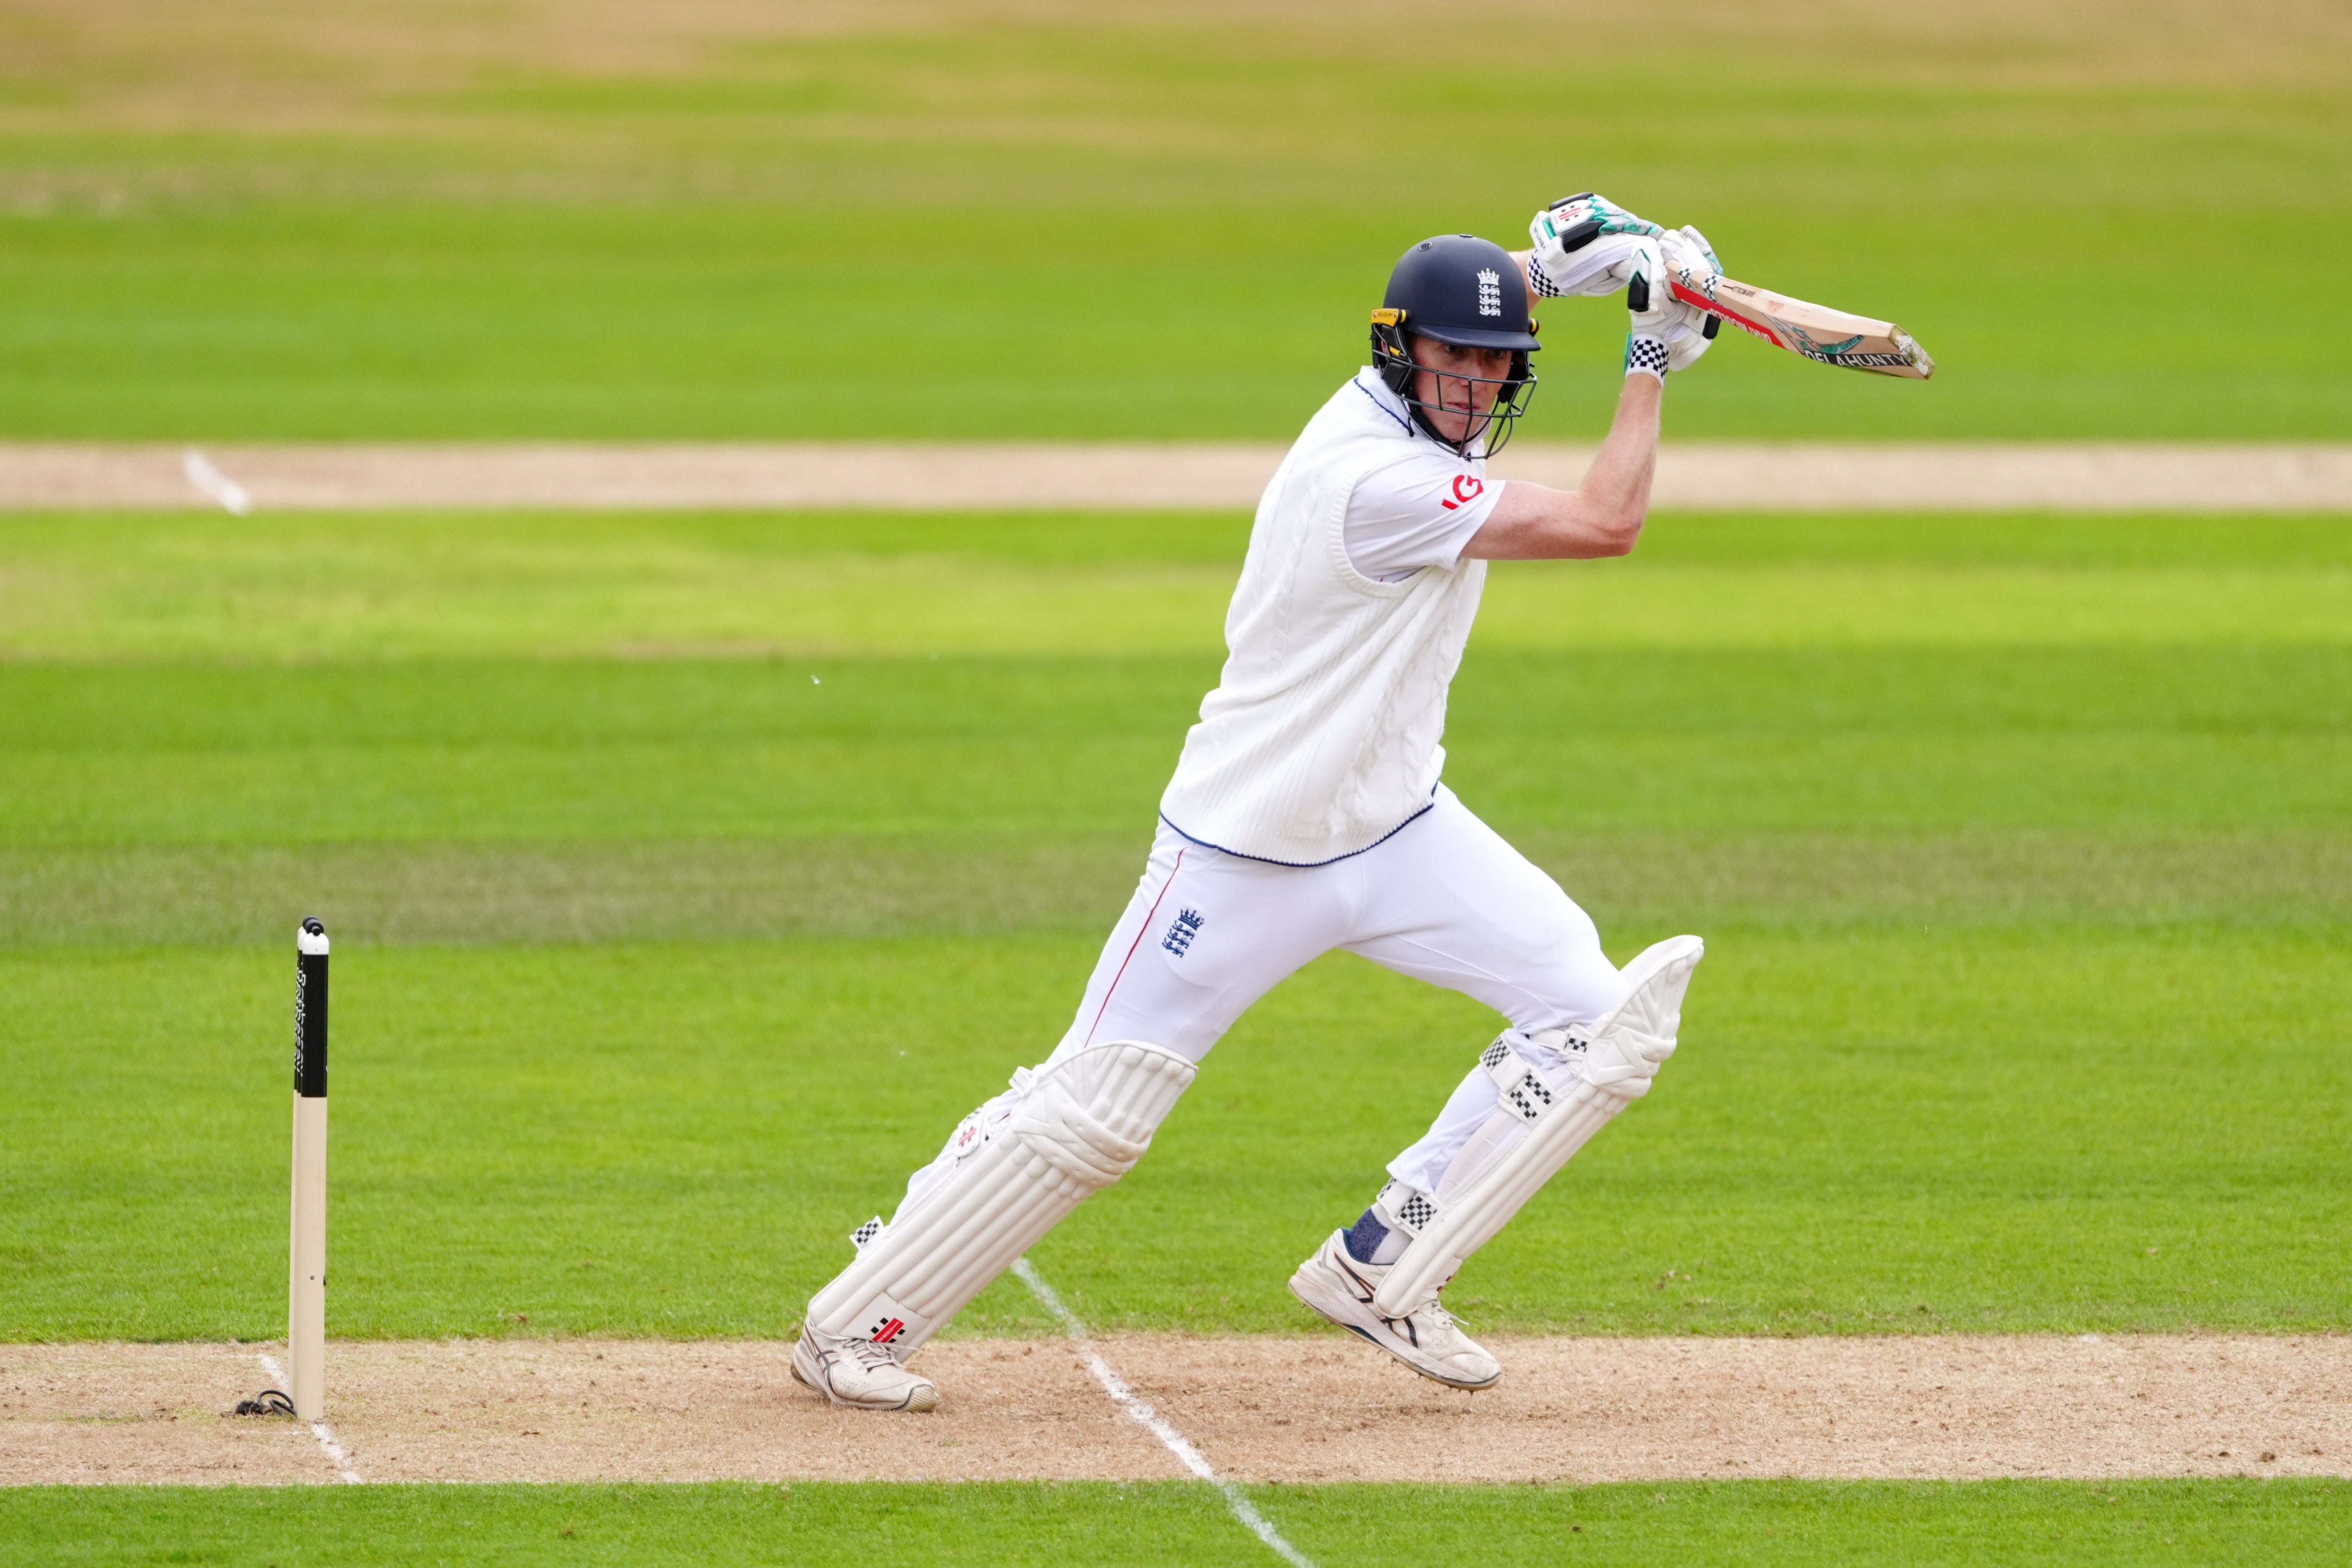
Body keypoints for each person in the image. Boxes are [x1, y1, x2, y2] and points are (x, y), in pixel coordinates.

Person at [793, 195, 1720, 1412]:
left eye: (1499, 367)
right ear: (1396, 351)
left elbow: (1467, 319)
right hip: (1243, 851)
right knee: (1096, 1110)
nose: (1474, 388)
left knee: (1596, 1022)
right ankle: (851, 1325)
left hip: (1396, 830)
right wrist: (1649, 359)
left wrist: (1540, 269)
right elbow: (1606, 523)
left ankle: (1381, 1264)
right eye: (1451, 361)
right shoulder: (1368, 479)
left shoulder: (1428, 404)